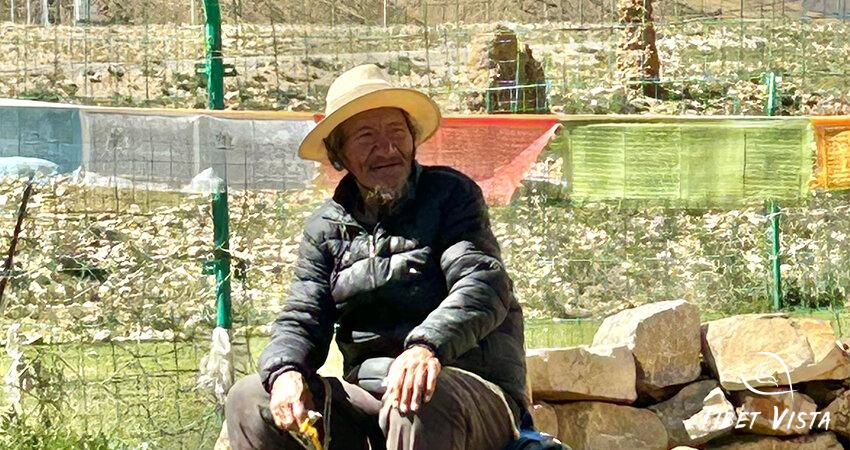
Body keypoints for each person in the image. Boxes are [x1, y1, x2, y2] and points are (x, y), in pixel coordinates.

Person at [225, 64, 528, 450]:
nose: (386, 149)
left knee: (416, 395)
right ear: (339, 156)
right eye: (366, 137)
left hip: (467, 389)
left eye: (396, 133)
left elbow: (483, 284)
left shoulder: (451, 196)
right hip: (370, 392)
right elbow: (303, 316)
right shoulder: (325, 228)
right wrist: (285, 371)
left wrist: (426, 347)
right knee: (250, 399)